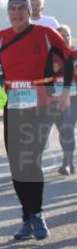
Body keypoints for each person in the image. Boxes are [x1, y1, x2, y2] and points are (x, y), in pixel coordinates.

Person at [0, 0, 72, 240]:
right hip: (14, 106)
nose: (17, 12)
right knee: (16, 164)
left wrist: (64, 92)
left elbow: (68, 59)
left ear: (29, 11)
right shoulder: (0, 39)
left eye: (22, 7)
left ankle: (38, 213)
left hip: (42, 104)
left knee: (31, 160)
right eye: (12, 8)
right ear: (8, 12)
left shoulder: (45, 33)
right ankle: (28, 217)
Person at [52, 24, 75, 175]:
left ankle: (66, 163)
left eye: (67, 35)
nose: (65, 38)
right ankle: (70, 162)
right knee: (62, 130)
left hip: (74, 98)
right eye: (61, 36)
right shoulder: (51, 56)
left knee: (67, 127)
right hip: (56, 98)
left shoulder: (75, 54)